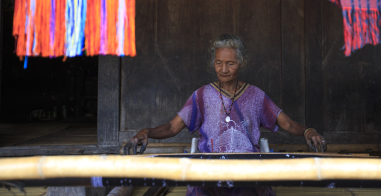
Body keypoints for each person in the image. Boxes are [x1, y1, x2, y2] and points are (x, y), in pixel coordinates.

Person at [123, 34, 327, 195]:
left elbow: (288, 124)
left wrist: (308, 131)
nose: (224, 69)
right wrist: (146, 132)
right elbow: (172, 127)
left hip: (247, 171)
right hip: (209, 170)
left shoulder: (255, 95)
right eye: (219, 62)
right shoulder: (202, 95)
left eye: (230, 63)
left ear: (242, 63)